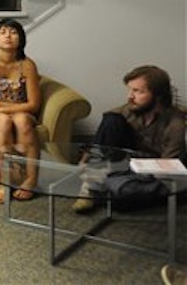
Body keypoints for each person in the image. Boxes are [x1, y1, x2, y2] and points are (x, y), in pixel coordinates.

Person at [72, 65, 186, 213]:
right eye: (130, 90)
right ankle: (91, 189)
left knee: (120, 200)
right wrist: (89, 157)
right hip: (129, 162)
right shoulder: (131, 109)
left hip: (154, 172)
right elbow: (105, 133)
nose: (130, 96)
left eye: (137, 91)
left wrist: (138, 170)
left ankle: (112, 188)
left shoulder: (175, 124)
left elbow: (169, 168)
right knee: (111, 120)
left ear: (158, 96)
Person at [0, 18, 41, 204]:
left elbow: (33, 104)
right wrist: (0, 111)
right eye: (2, 32)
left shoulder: (27, 65)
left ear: (21, 39)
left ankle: (30, 179)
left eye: (13, 32)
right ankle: (5, 181)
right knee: (4, 122)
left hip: (21, 110)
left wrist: (3, 107)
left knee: (22, 122)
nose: (8, 36)